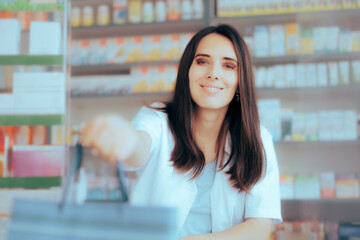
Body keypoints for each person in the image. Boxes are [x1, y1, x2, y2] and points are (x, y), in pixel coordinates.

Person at [80, 24, 282, 240]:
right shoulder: (157, 120)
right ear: (187, 70)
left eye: (229, 66)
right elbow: (138, 148)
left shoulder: (257, 139)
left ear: (241, 81)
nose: (214, 74)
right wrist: (124, 139)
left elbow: (259, 229)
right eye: (202, 61)